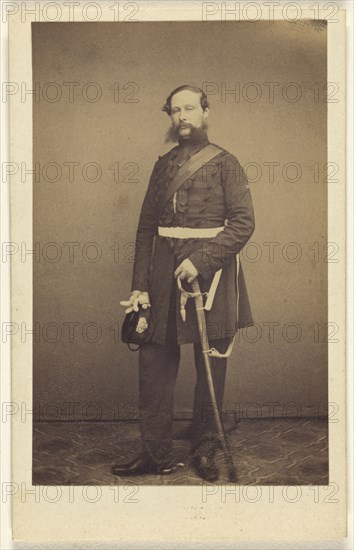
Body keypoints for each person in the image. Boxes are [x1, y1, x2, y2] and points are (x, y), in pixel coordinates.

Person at [112, 85, 255, 481]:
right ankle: (154, 451)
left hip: (212, 275)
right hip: (161, 274)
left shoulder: (227, 164)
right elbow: (145, 228)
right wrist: (139, 285)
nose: (182, 117)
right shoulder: (162, 165)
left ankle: (206, 446)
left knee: (211, 362)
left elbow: (244, 223)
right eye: (175, 111)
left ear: (205, 111)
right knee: (154, 361)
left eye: (190, 108)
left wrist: (201, 261)